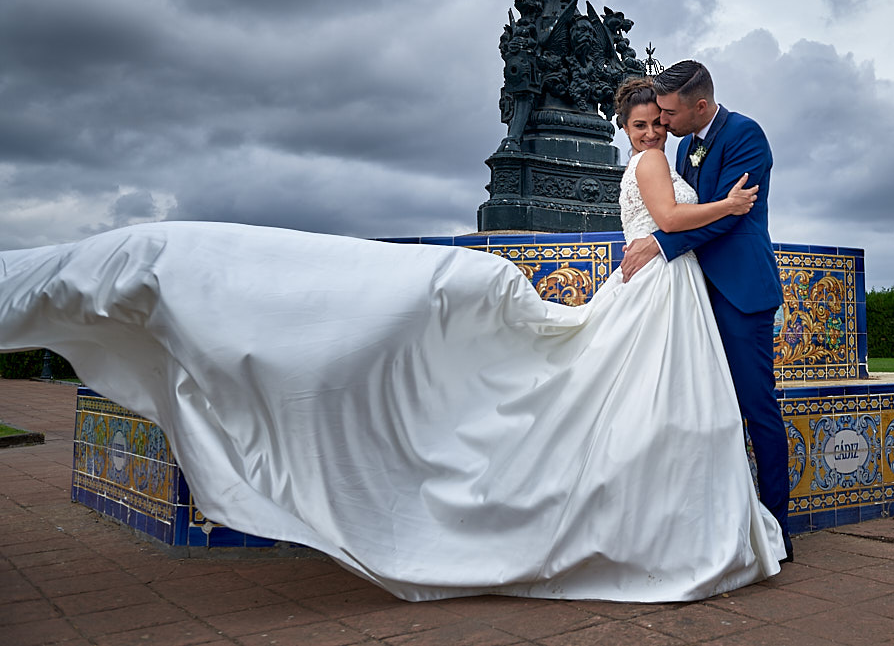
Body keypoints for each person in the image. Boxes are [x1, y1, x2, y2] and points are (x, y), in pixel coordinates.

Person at [0, 78, 786, 603]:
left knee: (679, 411)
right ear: (627, 126)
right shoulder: (656, 160)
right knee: (640, 402)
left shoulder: (677, 152)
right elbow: (673, 220)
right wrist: (725, 208)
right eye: (643, 121)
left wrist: (679, 227)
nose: (654, 128)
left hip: (669, 293)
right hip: (655, 286)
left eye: (659, 118)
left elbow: (664, 225)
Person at [620, 60, 792, 561]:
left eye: (669, 114)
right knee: (707, 408)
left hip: (739, 291)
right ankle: (722, 522)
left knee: (757, 409)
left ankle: (777, 529)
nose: (662, 124)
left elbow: (727, 216)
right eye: (653, 118)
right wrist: (663, 239)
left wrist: (660, 243)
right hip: (692, 294)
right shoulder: (679, 144)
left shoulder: (746, 136)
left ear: (699, 107)